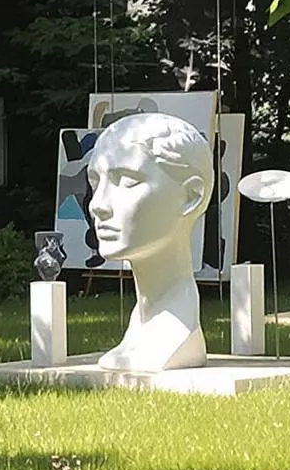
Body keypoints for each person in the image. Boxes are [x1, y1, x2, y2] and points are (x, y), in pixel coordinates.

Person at [87, 111, 214, 371]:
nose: (97, 205)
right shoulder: (141, 330)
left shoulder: (175, 339)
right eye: (94, 182)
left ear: (191, 196)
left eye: (127, 181)